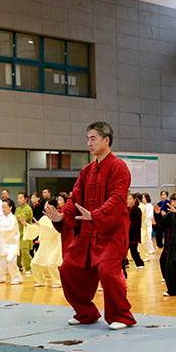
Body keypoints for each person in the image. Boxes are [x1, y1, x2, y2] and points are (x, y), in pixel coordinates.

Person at [46, 121, 136, 331]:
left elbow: (117, 198)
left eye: (93, 138)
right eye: (87, 139)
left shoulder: (119, 167)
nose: (89, 143)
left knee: (108, 272)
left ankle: (122, 316)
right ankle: (85, 313)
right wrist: (60, 218)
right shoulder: (86, 171)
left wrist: (95, 215)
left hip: (111, 233)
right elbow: (74, 199)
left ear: (106, 140)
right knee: (68, 269)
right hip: (87, 233)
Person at [27, 199, 62, 288]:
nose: (46, 207)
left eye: (48, 206)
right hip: (44, 245)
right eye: (45, 206)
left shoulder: (57, 216)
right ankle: (40, 281)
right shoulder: (44, 218)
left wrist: (41, 226)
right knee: (34, 263)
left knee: (51, 264)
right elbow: (37, 228)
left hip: (54, 244)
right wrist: (27, 225)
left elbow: (54, 231)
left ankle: (57, 282)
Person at [15, 192, 34, 273]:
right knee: (18, 251)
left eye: (20, 198)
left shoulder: (28, 209)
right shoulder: (17, 209)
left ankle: (30, 267)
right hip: (18, 232)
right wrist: (18, 217)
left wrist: (17, 217)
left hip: (26, 233)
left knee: (24, 251)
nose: (18, 200)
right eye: (18, 198)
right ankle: (19, 266)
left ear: (26, 199)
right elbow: (16, 218)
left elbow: (23, 218)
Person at [126, 193, 145, 270]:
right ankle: (125, 263)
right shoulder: (126, 209)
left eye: (130, 199)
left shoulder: (137, 209)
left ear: (134, 200)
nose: (128, 200)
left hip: (134, 234)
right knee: (123, 251)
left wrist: (129, 223)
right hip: (126, 233)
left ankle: (140, 264)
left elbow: (137, 223)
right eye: (127, 199)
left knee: (133, 251)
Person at [141, 193, 156, 257]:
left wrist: (144, 217)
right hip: (142, 224)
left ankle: (151, 249)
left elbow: (151, 215)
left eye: (144, 197)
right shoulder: (141, 205)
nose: (143, 199)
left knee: (148, 237)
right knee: (143, 238)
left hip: (148, 224)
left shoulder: (150, 205)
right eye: (142, 197)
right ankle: (144, 250)